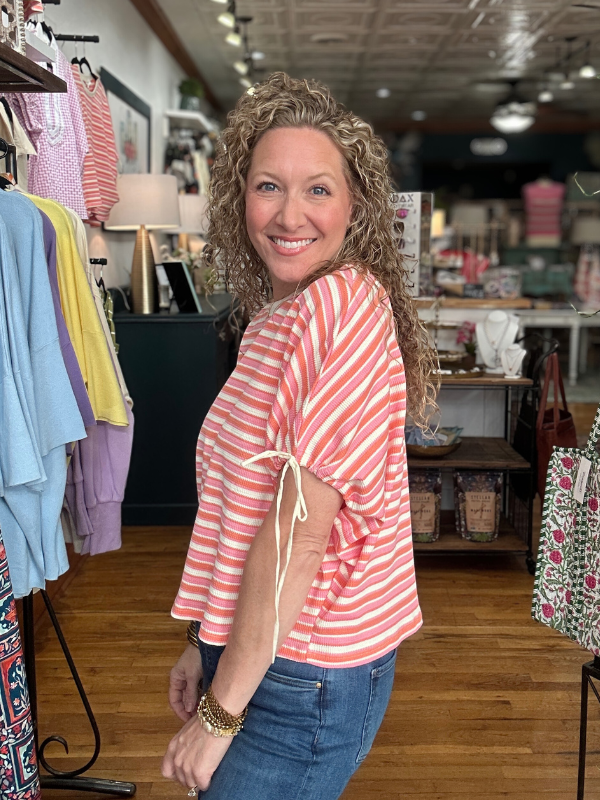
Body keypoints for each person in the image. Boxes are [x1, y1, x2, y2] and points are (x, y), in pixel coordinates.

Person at [162, 72, 437, 800]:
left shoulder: (341, 310)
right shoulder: (277, 317)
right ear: (237, 198)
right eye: (267, 186)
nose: (290, 214)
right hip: (259, 648)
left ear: (356, 206)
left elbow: (298, 536)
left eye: (318, 188)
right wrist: (204, 642)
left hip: (302, 671)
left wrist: (220, 717)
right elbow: (241, 510)